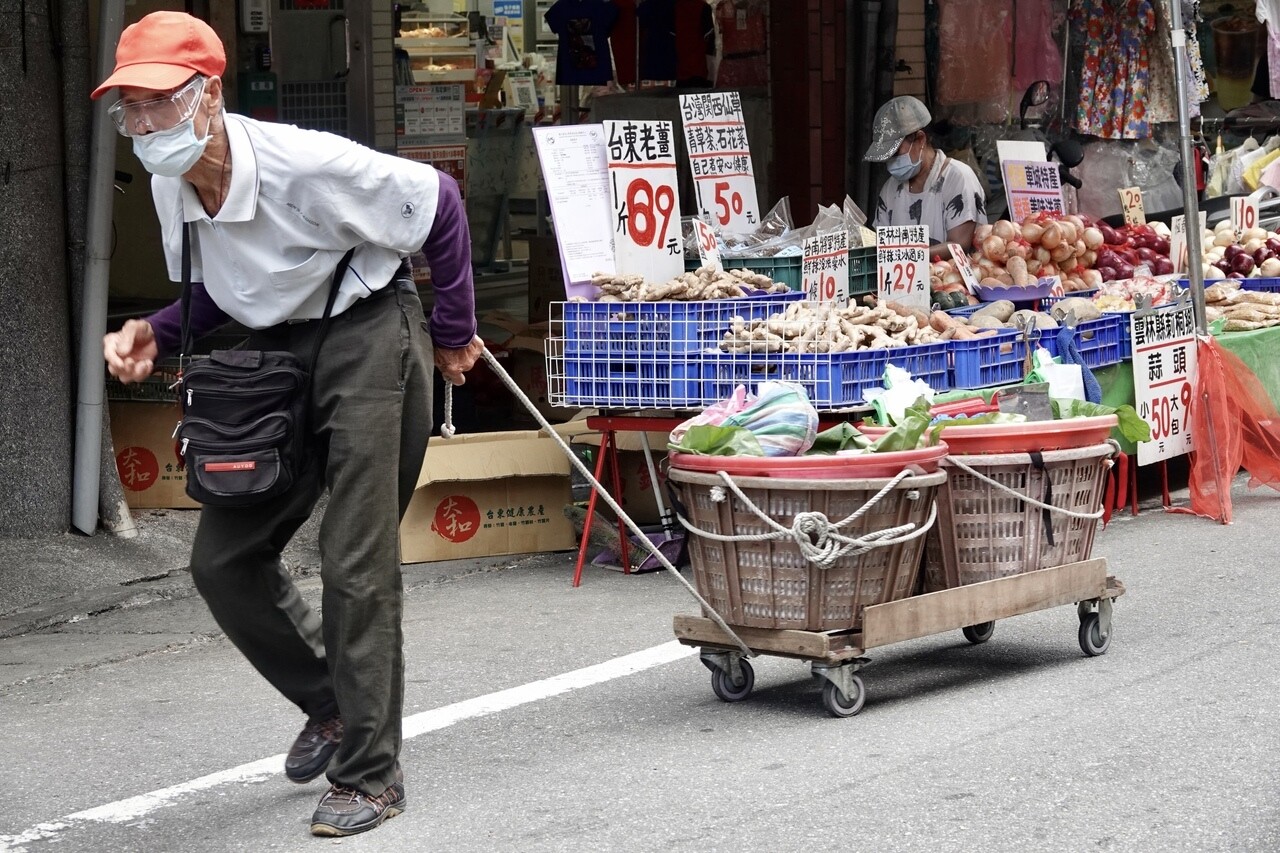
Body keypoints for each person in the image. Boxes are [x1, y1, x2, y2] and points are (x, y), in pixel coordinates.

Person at [94, 12, 483, 838]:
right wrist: (153, 332)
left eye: (160, 103)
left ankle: (372, 775)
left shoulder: (308, 163)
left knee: (353, 557)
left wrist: (452, 333)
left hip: (368, 328)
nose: (145, 125)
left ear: (210, 96)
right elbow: (220, 287)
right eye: (130, 107)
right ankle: (332, 702)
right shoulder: (172, 184)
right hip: (271, 349)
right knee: (223, 558)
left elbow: (440, 205)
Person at [864, 95, 987, 260]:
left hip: (951, 281)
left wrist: (907, 256)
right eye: (888, 156)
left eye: (895, 152)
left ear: (920, 139)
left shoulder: (957, 178)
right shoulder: (890, 189)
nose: (892, 161)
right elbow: (881, 245)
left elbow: (959, 245)